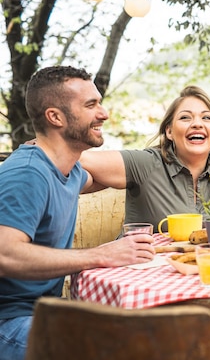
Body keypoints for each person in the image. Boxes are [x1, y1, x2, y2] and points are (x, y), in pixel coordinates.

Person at [0, 66, 155, 360]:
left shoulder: (69, 171)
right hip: (10, 323)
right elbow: (4, 255)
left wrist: (151, 174)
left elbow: (90, 180)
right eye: (90, 105)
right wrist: (101, 254)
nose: (104, 113)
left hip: (46, 313)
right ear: (55, 117)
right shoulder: (27, 174)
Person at [80, 85, 210, 229]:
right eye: (185, 117)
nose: (197, 124)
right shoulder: (146, 164)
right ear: (169, 131)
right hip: (142, 272)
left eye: (206, 118)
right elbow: (80, 160)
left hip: (198, 274)